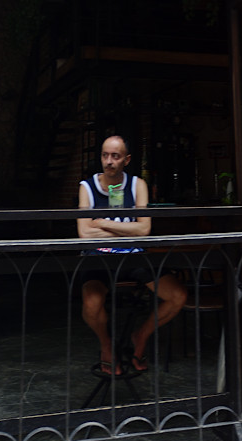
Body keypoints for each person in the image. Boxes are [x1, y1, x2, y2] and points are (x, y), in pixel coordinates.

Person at [78, 135, 186, 375]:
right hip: (98, 257)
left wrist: (102, 222)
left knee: (177, 295)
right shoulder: (86, 187)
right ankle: (106, 345)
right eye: (105, 155)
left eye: (115, 156)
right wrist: (127, 231)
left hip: (134, 256)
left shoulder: (137, 185)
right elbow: (85, 234)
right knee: (91, 303)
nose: (109, 161)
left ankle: (141, 335)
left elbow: (144, 229)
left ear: (126, 160)